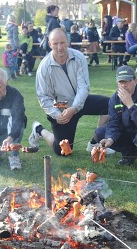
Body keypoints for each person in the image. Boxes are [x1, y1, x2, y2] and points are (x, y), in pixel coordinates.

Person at [30, 28, 113, 156]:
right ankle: (39, 130)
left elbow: (83, 87)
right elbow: (43, 97)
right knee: (63, 151)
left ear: (68, 42)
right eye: (55, 43)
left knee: (111, 105)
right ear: (50, 44)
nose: (60, 47)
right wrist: (57, 115)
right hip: (60, 107)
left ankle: (94, 142)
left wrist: (74, 108)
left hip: (80, 101)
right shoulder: (44, 67)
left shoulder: (78, 57)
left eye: (62, 42)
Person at [96, 66, 137, 171]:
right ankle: (130, 154)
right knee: (100, 133)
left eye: (127, 81)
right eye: (120, 82)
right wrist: (110, 138)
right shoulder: (115, 98)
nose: (123, 85)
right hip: (129, 129)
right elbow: (114, 122)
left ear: (135, 81)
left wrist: (130, 105)